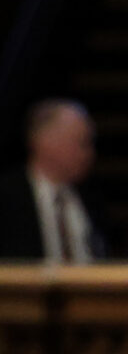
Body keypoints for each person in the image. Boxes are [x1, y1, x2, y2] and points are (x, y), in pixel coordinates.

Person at [0, 99, 102, 262]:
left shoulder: (90, 196)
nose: (89, 154)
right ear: (45, 142)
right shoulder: (7, 196)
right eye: (82, 143)